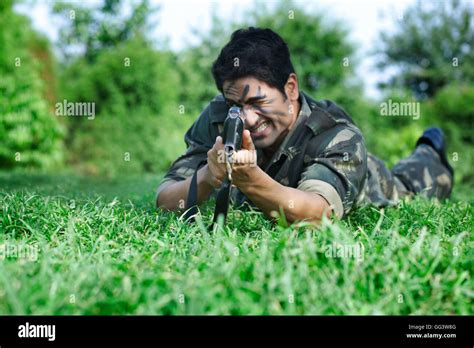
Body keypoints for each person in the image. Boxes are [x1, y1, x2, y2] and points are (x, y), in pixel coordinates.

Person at [156, 27, 453, 223]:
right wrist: (209, 175)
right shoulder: (219, 116)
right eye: (236, 105)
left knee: (421, 181)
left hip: (376, 180)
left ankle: (429, 149)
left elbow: (318, 213)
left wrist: (248, 179)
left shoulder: (336, 133)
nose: (246, 118)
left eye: (258, 102)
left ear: (291, 88)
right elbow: (166, 198)